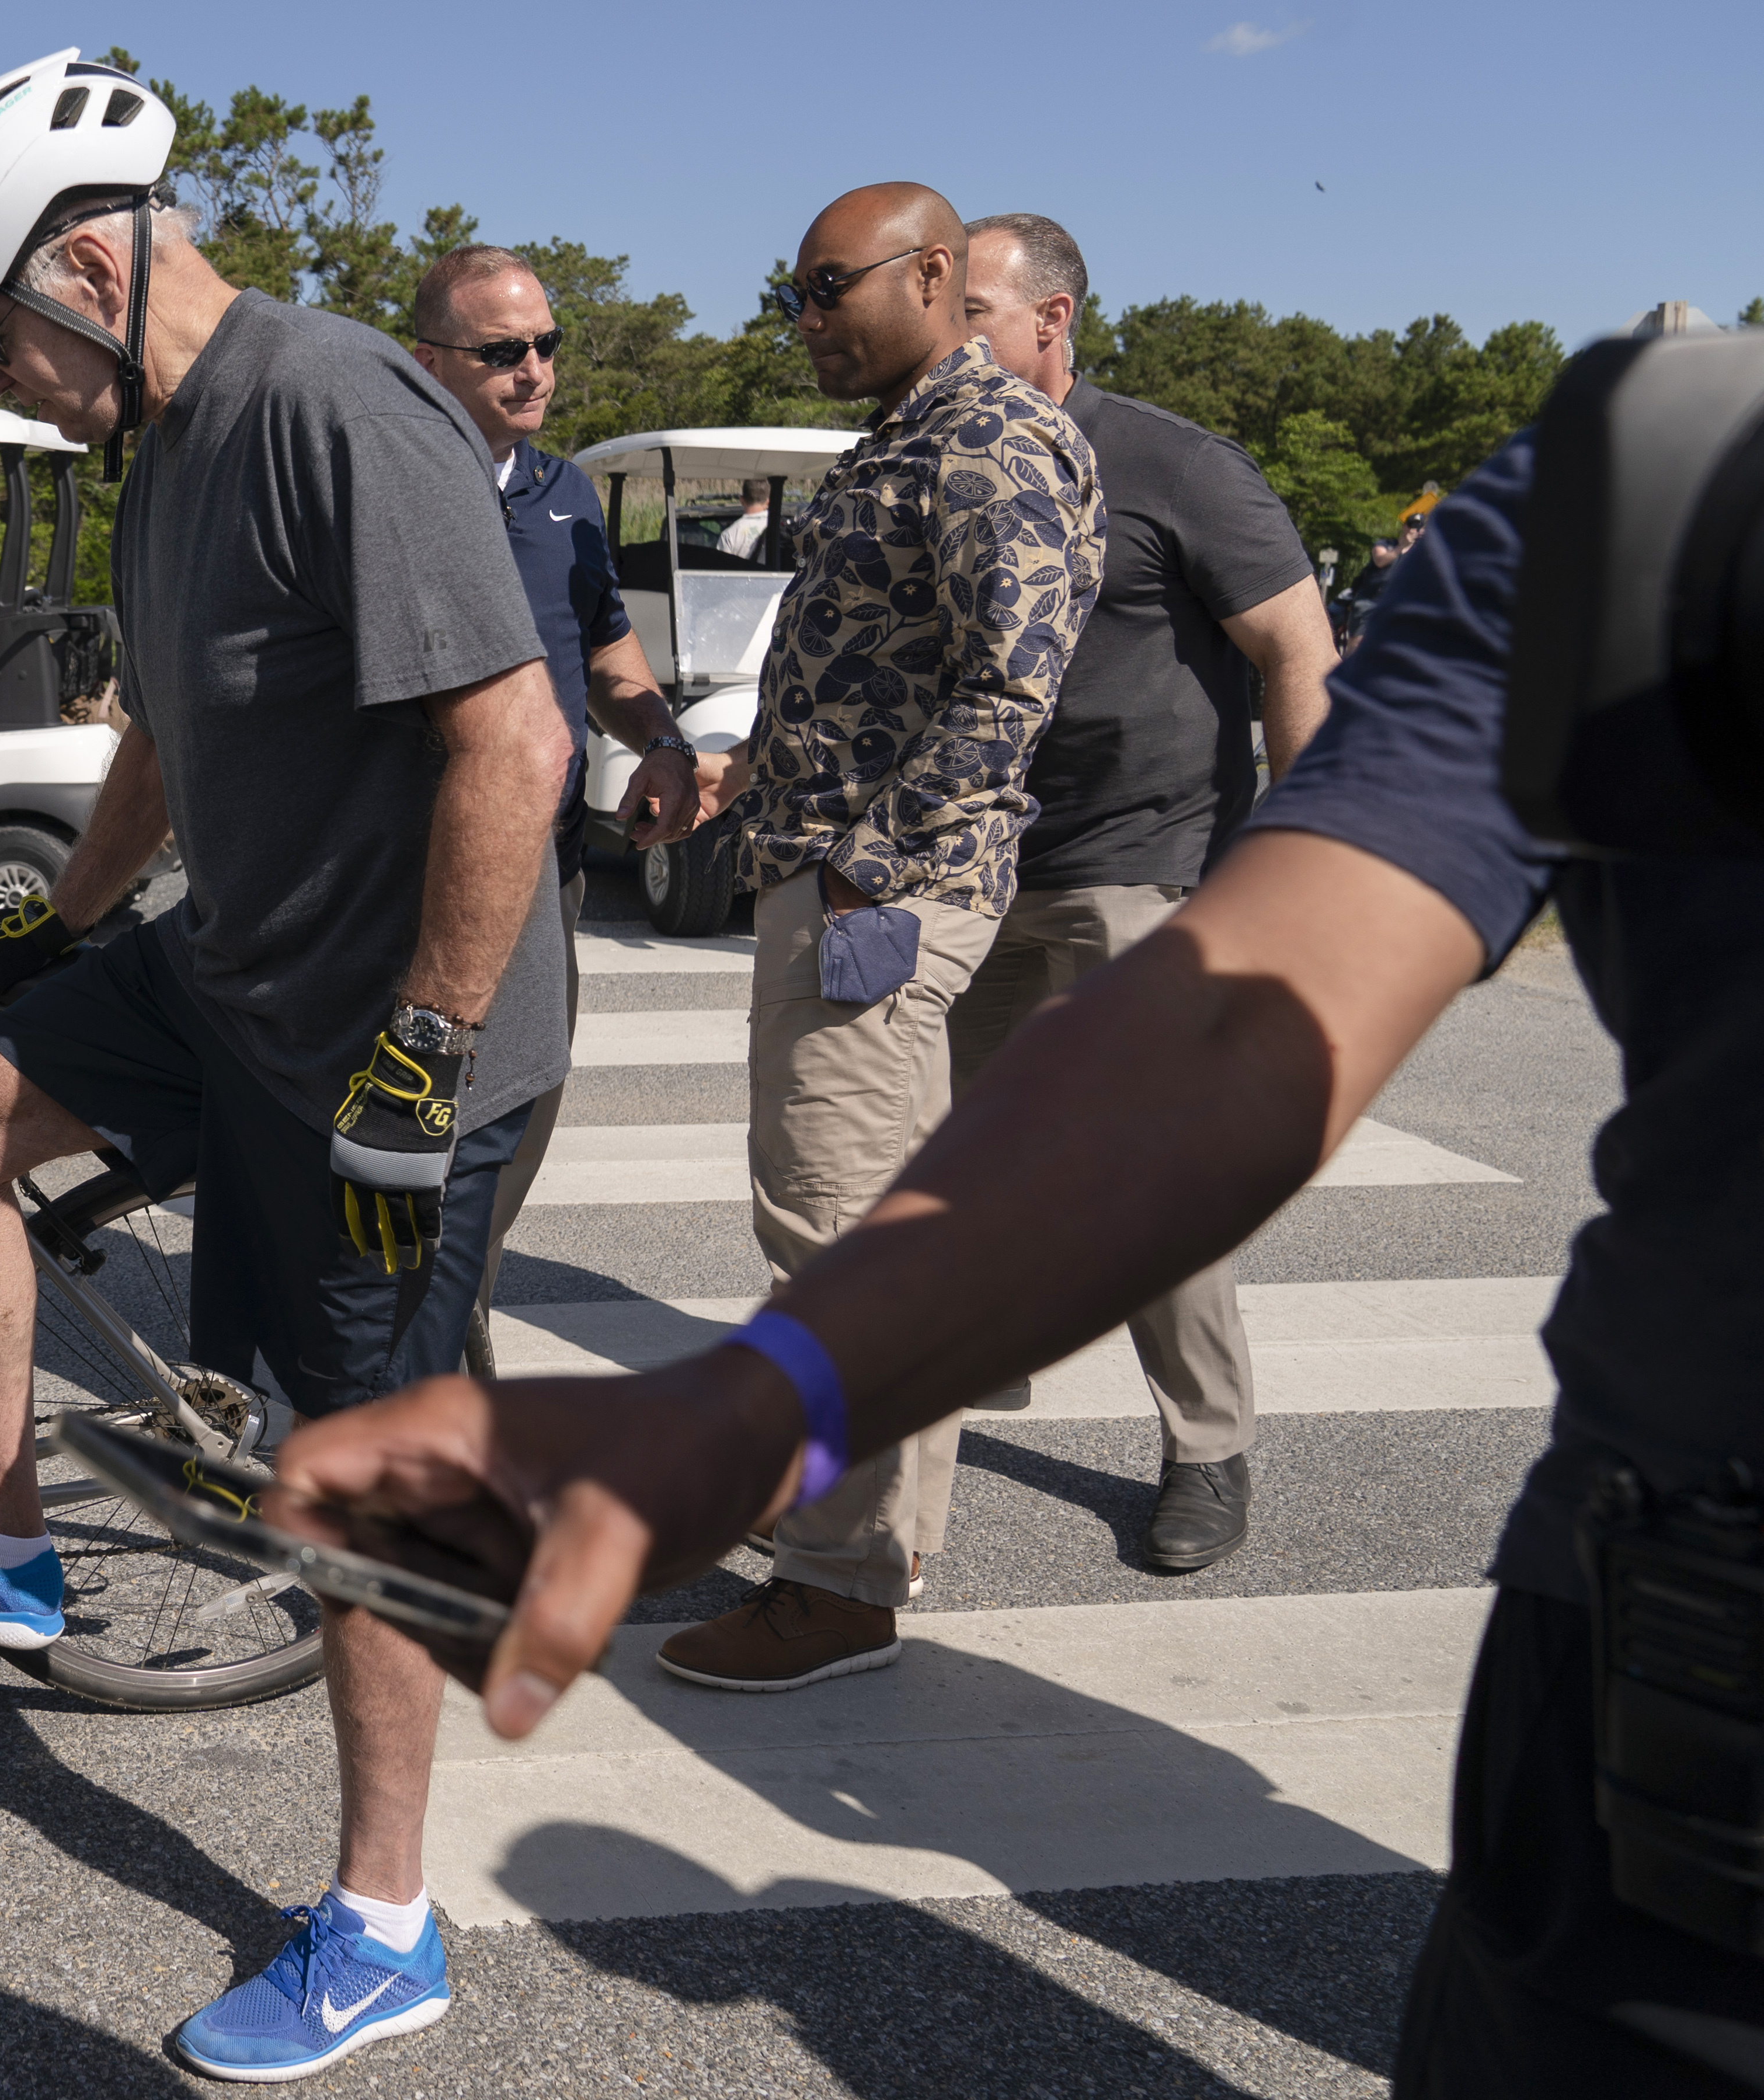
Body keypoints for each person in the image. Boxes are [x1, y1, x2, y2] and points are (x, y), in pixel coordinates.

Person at [275, 425, 1764, 2095]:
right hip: (1677, 1661)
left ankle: (1200, 1445)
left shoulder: (1180, 474)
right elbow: (1224, 1034)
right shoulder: (1638, 483)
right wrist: (758, 1399)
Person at [0, 51, 573, 2085]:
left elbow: (518, 745)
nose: (4, 377)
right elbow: (159, 738)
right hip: (236, 974)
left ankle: (384, 1924)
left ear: (87, 261)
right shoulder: (162, 453)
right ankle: (0, 1532)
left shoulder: (332, 405)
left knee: (347, 1486)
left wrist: (425, 1045)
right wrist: (62, 921)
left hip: (397, 1039)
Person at [650, 182, 1104, 1695]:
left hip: (874, 905)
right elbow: (879, 675)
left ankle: (833, 1584)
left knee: (825, 1238)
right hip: (851, 877)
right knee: (886, 1244)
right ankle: (875, 1548)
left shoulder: (982, 437)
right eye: (790, 295)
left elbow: (1008, 682)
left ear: (928, 272)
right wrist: (741, 778)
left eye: (825, 287)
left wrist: (864, 875)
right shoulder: (904, 437)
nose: (802, 322)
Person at [933, 211, 1339, 1569]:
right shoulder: (940, 458)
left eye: (973, 309)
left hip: (1140, 869)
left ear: (1051, 319)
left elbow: (1291, 644)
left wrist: (1300, 851)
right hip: (974, 865)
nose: (949, 336)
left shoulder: (1170, 461)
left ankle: (1204, 1448)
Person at [404, 242, 719, 1376]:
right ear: (426, 358)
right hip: (401, 869)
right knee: (406, 1112)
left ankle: (453, 1317)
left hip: (543, 869)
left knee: (516, 1114)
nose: (533, 370)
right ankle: (420, 1350)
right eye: (501, 351)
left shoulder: (563, 492)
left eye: (546, 345)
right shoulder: (381, 481)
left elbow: (606, 653)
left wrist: (670, 741)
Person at [715, 477, 776, 561]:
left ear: (742, 500)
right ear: (768, 502)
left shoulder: (729, 535)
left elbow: (722, 570)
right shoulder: (781, 528)